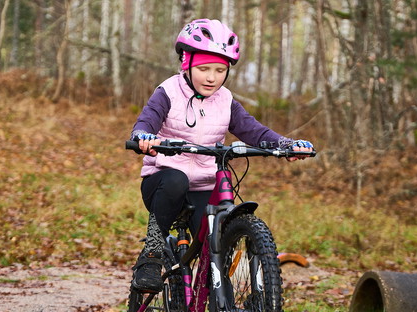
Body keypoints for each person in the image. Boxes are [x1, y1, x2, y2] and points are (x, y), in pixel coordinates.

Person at [129, 18, 313, 294]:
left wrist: (285, 144)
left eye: (219, 70)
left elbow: (254, 130)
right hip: (163, 183)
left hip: (203, 185)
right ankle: (152, 255)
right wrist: (144, 137)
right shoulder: (167, 92)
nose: (211, 77)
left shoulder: (225, 100)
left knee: (215, 241)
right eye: (203, 69)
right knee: (177, 179)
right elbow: (146, 122)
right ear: (186, 63)